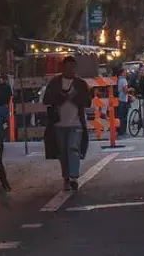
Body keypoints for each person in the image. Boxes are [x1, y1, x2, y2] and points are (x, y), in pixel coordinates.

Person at [43, 56, 91, 191]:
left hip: (76, 122)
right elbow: (46, 99)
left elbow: (88, 102)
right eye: (68, 67)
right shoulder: (55, 83)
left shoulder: (80, 84)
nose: (70, 70)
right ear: (63, 68)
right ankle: (66, 177)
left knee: (73, 149)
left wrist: (76, 97)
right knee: (62, 152)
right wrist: (61, 98)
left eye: (72, 67)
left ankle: (74, 177)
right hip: (59, 124)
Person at [115, 68, 130, 136]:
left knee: (120, 116)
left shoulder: (118, 80)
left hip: (119, 99)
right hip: (123, 99)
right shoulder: (124, 80)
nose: (126, 73)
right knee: (124, 116)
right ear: (122, 73)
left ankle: (119, 131)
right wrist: (130, 90)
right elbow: (125, 90)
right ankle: (123, 131)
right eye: (125, 72)